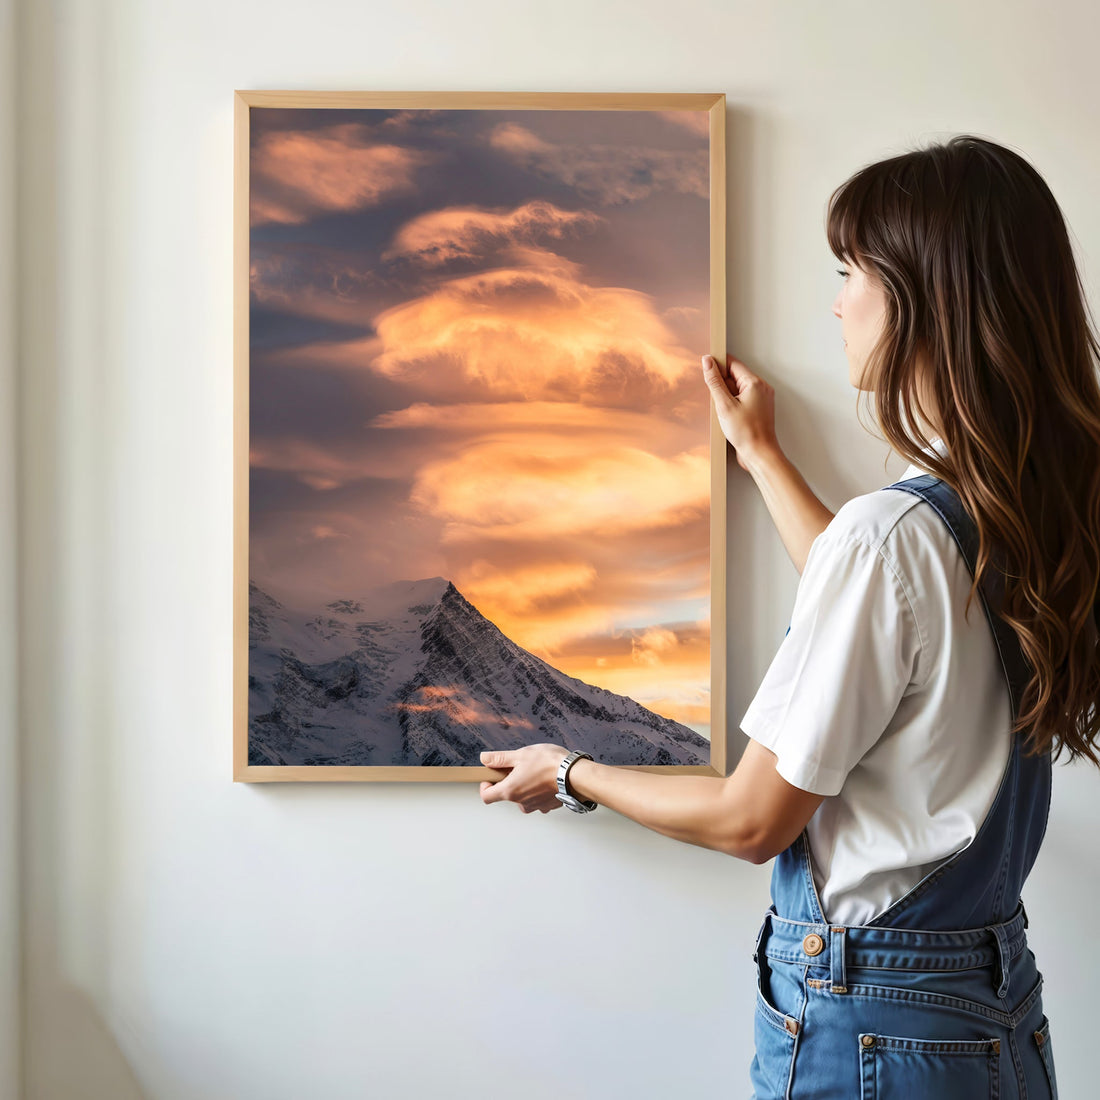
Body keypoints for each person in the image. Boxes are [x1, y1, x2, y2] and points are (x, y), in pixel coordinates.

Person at [477, 134, 1100, 1098]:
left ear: (925, 299)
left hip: (874, 1028)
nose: (838, 300)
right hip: (986, 1012)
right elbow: (888, 624)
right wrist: (764, 456)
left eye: (852, 271)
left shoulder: (894, 535)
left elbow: (750, 819)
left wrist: (569, 772)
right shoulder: (1019, 510)